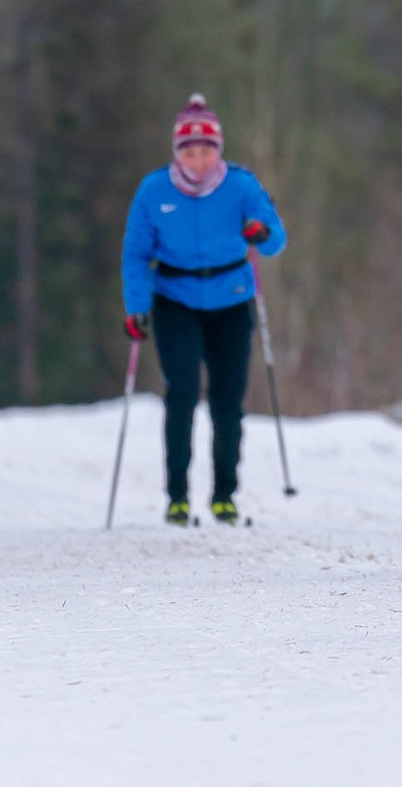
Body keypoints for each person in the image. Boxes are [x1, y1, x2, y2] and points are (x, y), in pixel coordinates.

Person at [120, 94, 288, 526]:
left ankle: (224, 496)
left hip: (231, 298)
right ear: (177, 152)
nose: (198, 161)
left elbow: (275, 240)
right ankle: (177, 496)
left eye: (206, 151)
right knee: (182, 392)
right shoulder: (154, 189)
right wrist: (136, 306)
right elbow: (136, 253)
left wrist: (260, 230)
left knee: (228, 400)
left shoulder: (241, 185)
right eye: (189, 152)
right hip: (175, 298)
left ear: (219, 150)